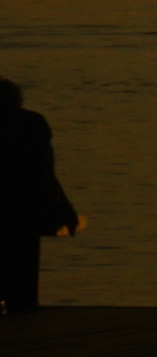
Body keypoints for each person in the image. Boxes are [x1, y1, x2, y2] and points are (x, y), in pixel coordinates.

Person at [1, 79, 81, 314]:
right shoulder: (32, 123)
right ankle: (22, 304)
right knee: (23, 254)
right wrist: (65, 207)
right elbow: (44, 171)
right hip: (25, 206)